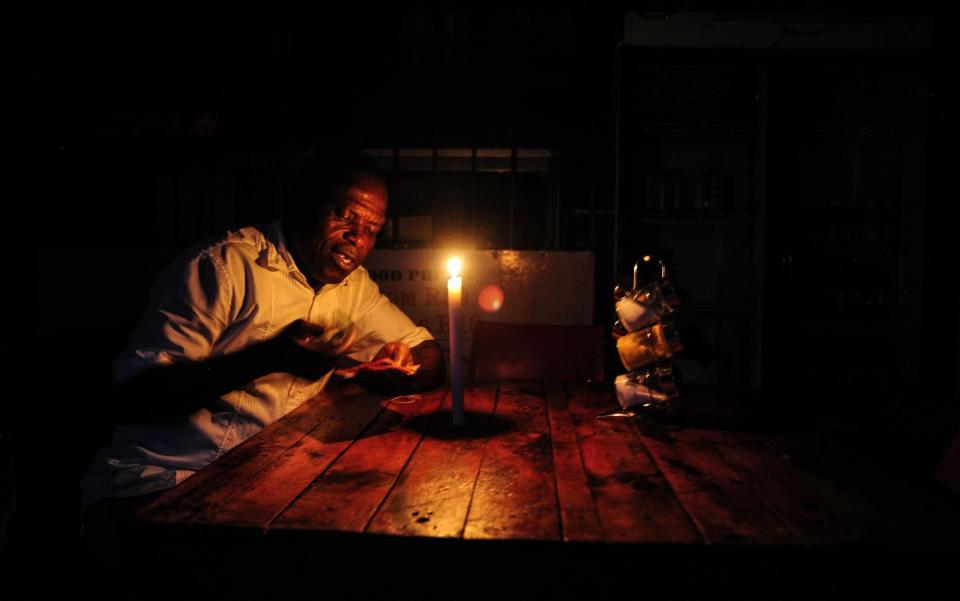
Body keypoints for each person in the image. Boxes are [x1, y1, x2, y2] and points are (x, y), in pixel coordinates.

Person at [80, 150, 444, 514]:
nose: (357, 238)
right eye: (343, 217)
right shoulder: (224, 267)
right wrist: (269, 357)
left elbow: (429, 352)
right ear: (303, 206)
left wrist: (400, 372)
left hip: (260, 483)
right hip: (165, 481)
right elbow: (135, 396)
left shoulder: (354, 288)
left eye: (372, 230)